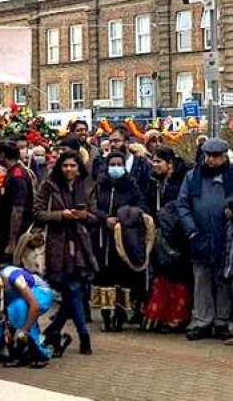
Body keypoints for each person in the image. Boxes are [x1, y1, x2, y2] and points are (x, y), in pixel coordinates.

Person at [35, 150, 97, 356]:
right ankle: (83, 334)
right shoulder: (49, 185)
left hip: (80, 244)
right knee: (72, 288)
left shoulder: (84, 186)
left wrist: (84, 215)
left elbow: (94, 214)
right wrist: (61, 215)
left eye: (73, 166)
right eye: (65, 166)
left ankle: (54, 330)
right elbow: (37, 212)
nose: (69, 169)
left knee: (75, 289)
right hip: (57, 244)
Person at [177, 137, 233, 341]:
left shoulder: (232, 176)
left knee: (223, 280)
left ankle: (221, 321)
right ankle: (202, 321)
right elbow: (182, 205)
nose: (210, 160)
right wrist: (191, 230)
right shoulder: (192, 177)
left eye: (215, 156)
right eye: (207, 155)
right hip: (199, 236)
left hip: (226, 238)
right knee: (201, 279)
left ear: (224, 156)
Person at [90, 151, 148, 333]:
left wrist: (126, 217)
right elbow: (92, 207)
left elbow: (141, 206)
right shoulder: (100, 185)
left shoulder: (131, 185)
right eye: (112, 164)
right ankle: (106, 317)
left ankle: (120, 317)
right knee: (105, 277)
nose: (115, 168)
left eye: (119, 164)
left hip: (124, 240)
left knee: (123, 277)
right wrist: (104, 218)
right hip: (102, 239)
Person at [145, 147, 193, 332]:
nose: (154, 165)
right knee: (162, 275)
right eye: (153, 161)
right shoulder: (153, 182)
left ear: (170, 164)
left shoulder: (181, 182)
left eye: (158, 162)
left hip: (178, 236)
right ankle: (162, 317)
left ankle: (178, 317)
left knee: (179, 277)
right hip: (159, 235)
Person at [0, 264, 56, 368]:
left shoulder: (13, 277)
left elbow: (35, 306)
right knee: (17, 311)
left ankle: (39, 354)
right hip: (24, 299)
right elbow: (4, 310)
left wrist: (24, 331)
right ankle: (28, 351)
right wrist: (7, 329)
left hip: (41, 293)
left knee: (19, 309)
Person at [0, 140, 34, 263]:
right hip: (6, 231)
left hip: (14, 234)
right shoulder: (11, 172)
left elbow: (18, 210)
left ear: (2, 155)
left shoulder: (18, 176)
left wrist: (12, 241)